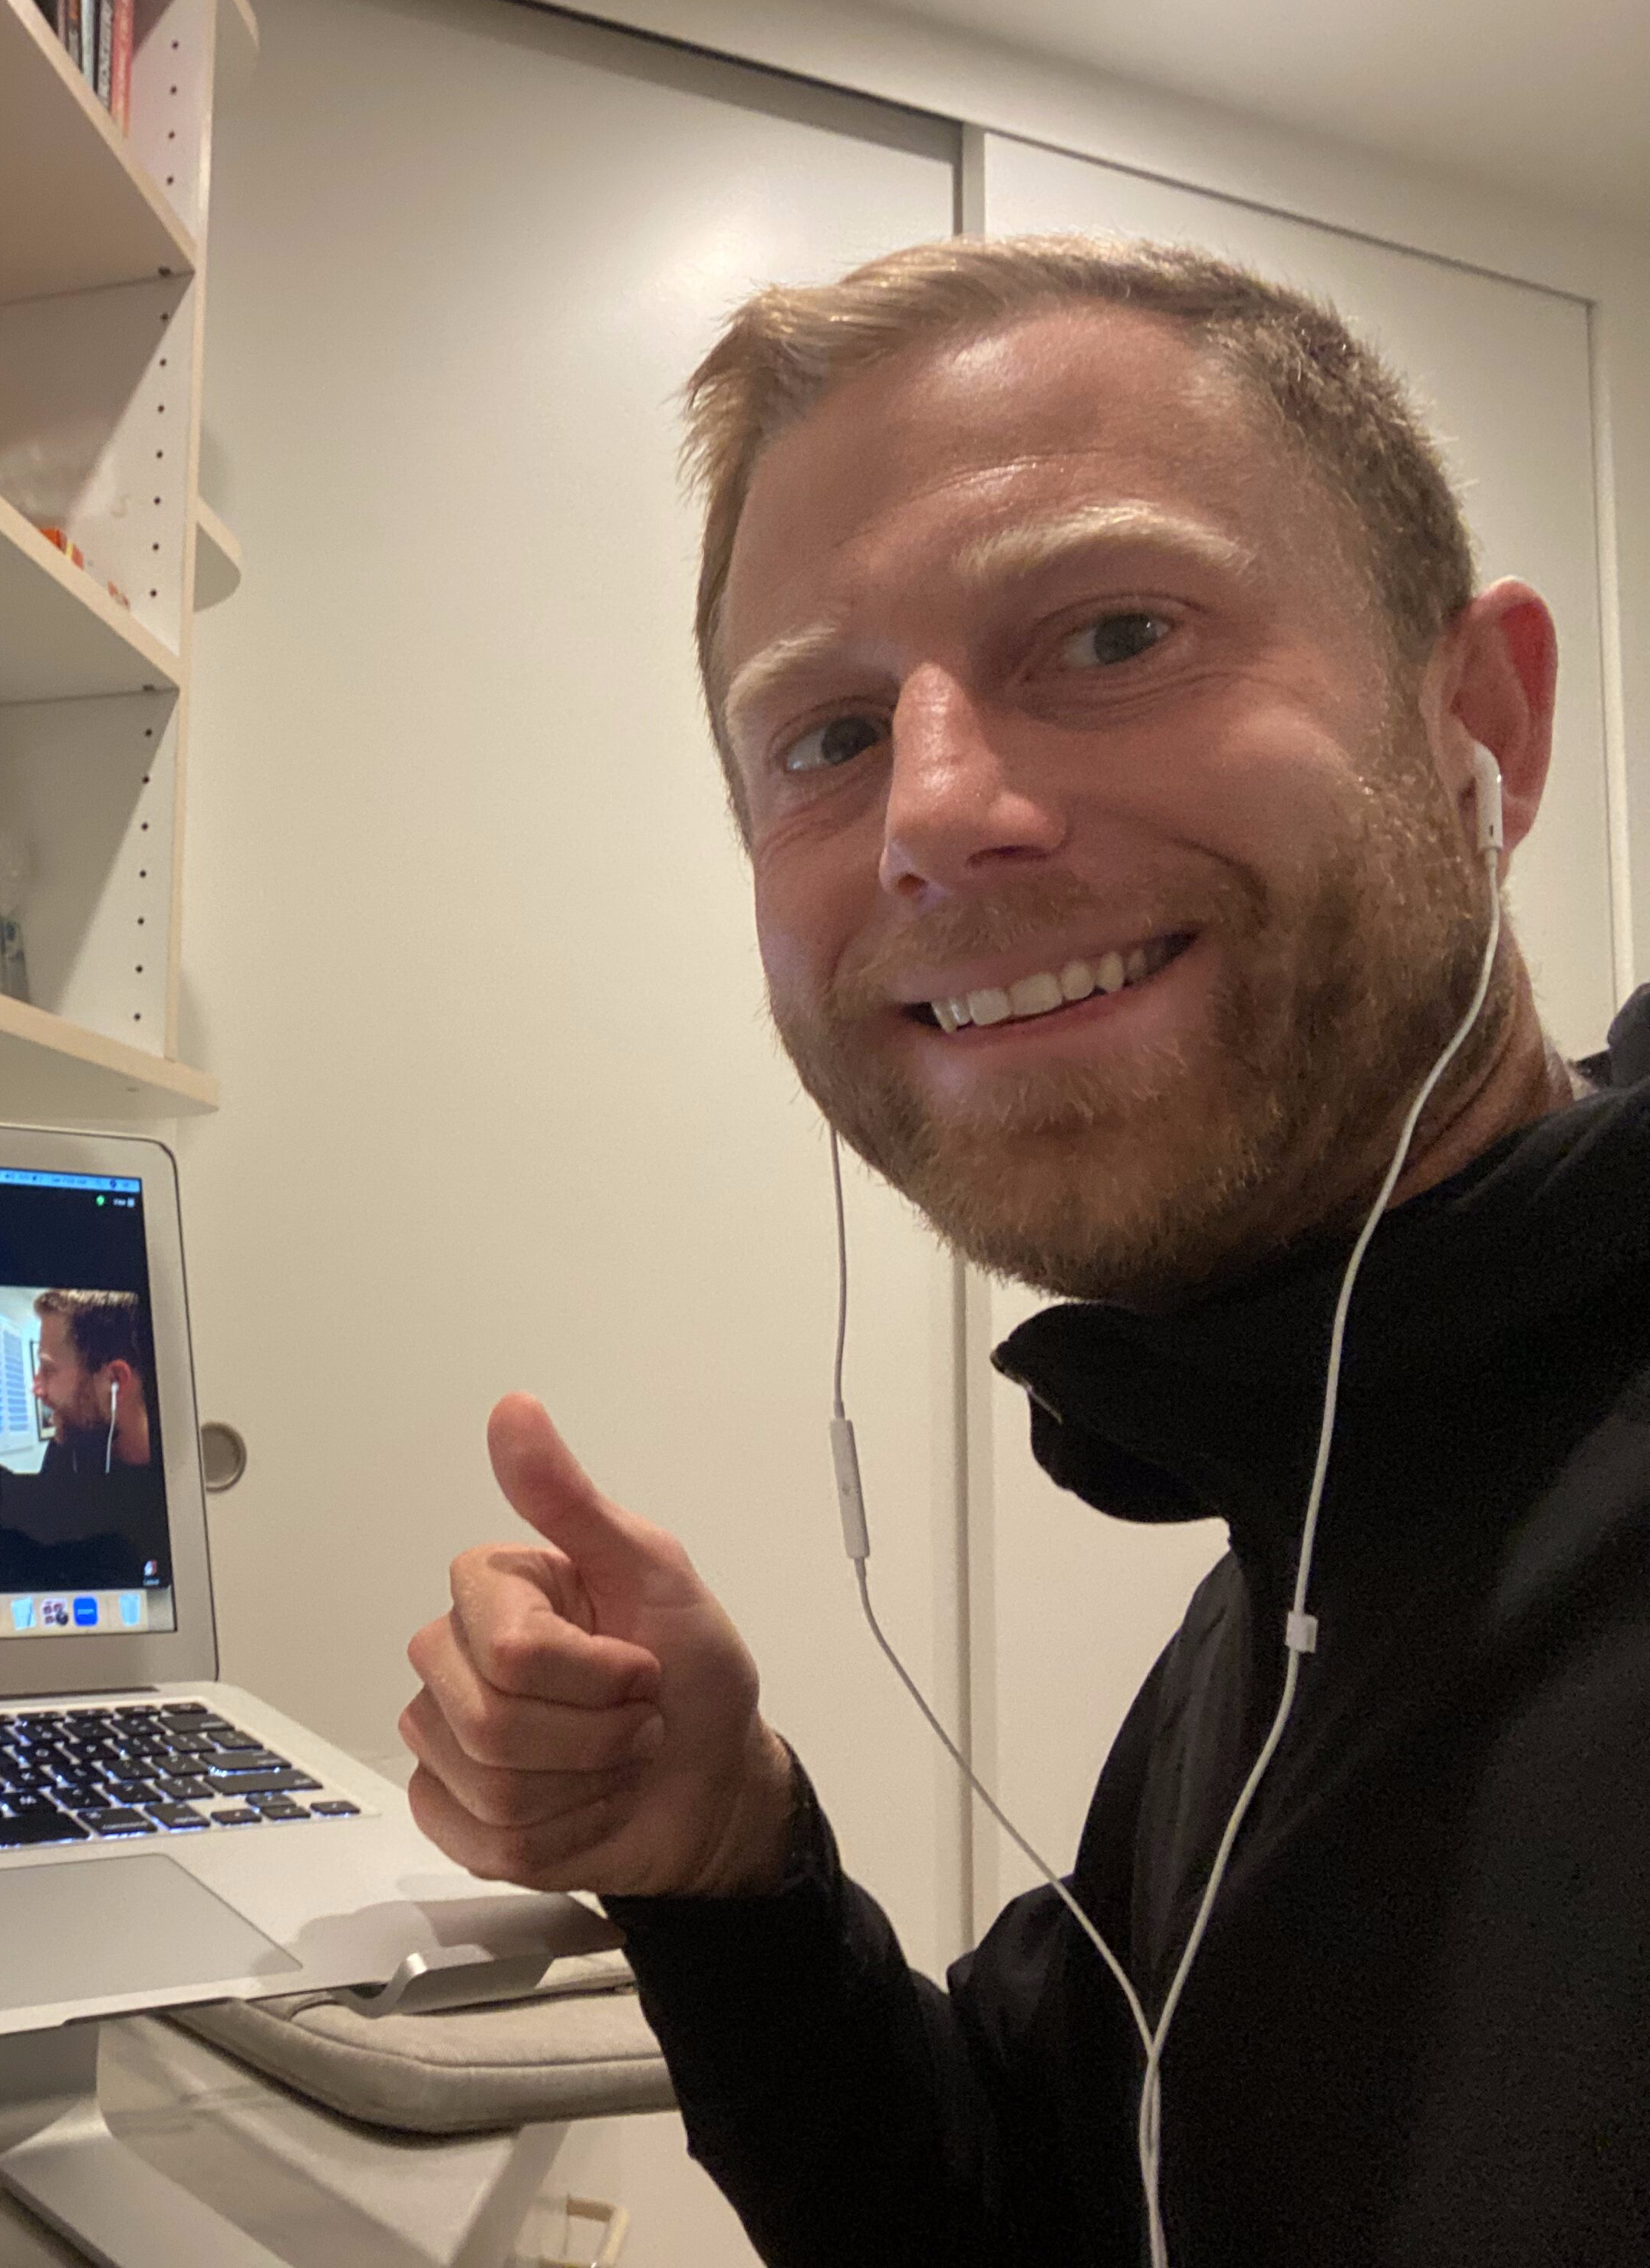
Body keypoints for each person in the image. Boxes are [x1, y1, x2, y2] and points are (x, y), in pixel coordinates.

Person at [400, 235, 1650, 2265]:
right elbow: (1041, 2219)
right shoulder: (1290, 1576)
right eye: (823, 740)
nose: (938, 811)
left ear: (1479, 714)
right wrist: (724, 1861)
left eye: (1115, 630)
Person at [0, 1289, 156, 1476]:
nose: (36, 1388)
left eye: (48, 1369)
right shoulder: (67, 1449)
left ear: (115, 1379)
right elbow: (34, 1508)